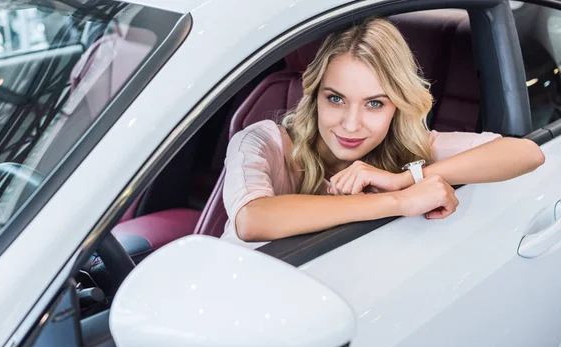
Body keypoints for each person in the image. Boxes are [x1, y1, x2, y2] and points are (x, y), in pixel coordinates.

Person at [221, 18, 545, 248]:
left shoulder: (409, 150)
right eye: (335, 98)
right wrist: (399, 201)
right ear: (314, 94)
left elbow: (527, 153)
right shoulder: (263, 141)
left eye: (374, 104)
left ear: (398, 106)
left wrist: (408, 178)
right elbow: (252, 220)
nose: (350, 125)